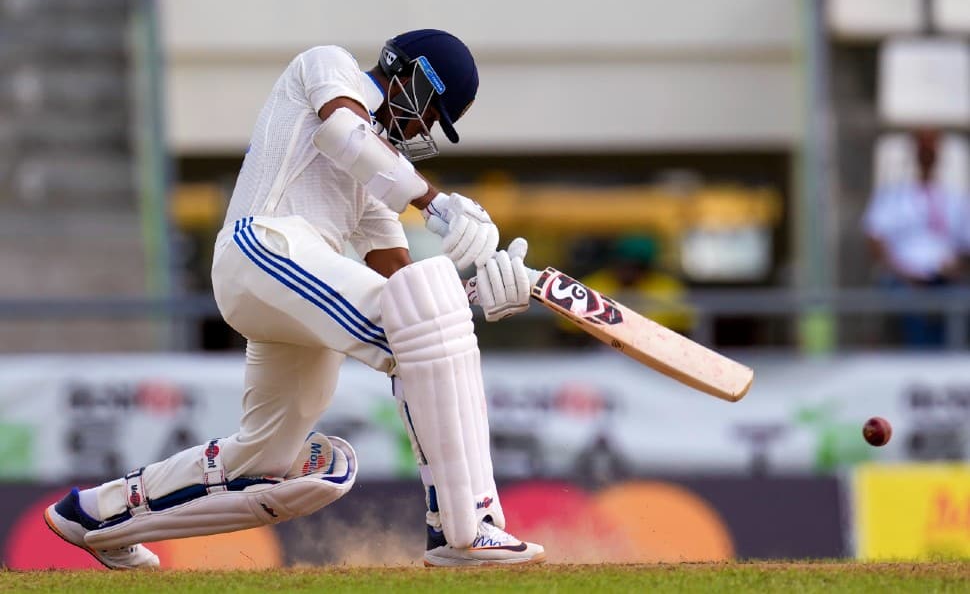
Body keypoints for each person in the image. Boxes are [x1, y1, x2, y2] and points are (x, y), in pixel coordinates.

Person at [43, 29, 545, 568]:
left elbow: (409, 291)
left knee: (265, 463)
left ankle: (94, 515)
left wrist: (479, 292)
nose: (425, 129)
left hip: (290, 292)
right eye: (432, 111)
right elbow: (344, 133)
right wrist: (433, 201)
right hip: (263, 248)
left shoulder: (376, 182)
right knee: (421, 319)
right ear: (412, 76)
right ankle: (466, 528)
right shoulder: (330, 64)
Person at [862, 128, 969, 346]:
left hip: (945, 279)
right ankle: (918, 359)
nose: (927, 157)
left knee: (958, 301)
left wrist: (955, 267)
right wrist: (902, 272)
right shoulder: (892, 196)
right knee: (909, 305)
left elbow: (965, 243)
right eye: (923, 150)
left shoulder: (954, 198)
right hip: (904, 280)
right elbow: (874, 237)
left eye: (931, 151)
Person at [559, 234, 693, 343]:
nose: (627, 271)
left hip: (656, 355)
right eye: (622, 264)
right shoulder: (591, 286)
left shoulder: (668, 289)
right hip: (598, 358)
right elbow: (568, 332)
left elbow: (684, 330)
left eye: (634, 266)